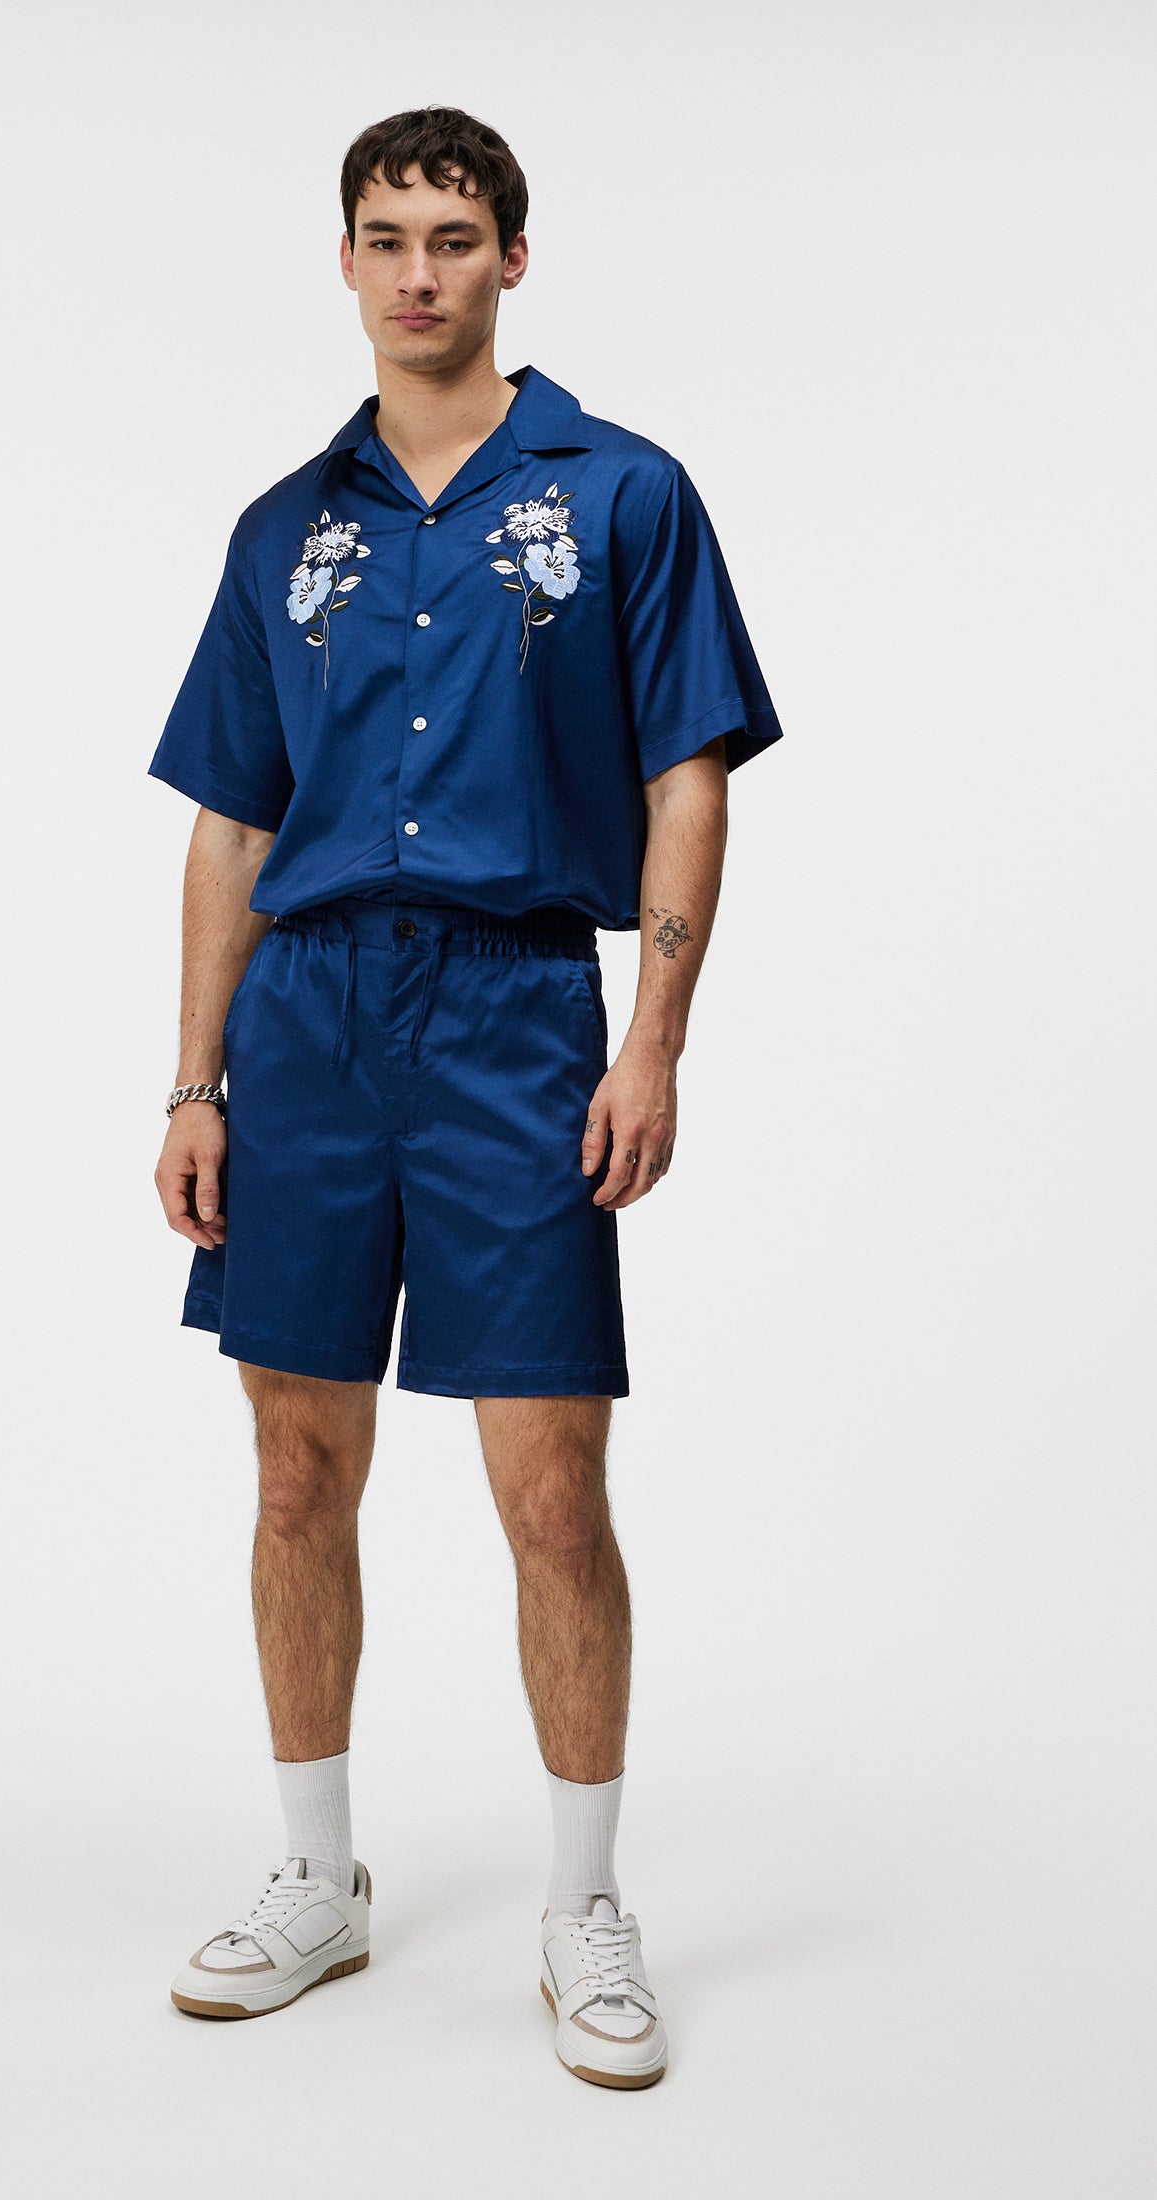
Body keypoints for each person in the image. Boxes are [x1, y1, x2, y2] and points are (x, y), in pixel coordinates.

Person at [149, 105, 784, 2090]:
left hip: (518, 1012)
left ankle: (583, 1902)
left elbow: (687, 774)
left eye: (450, 235)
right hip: (305, 1018)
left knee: (550, 1490)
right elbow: (229, 820)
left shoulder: (623, 493)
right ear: (342, 261)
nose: (416, 271)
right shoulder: (284, 528)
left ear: (512, 255)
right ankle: (314, 1876)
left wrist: (652, 1039)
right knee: (292, 1471)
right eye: (383, 236)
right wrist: (192, 1078)